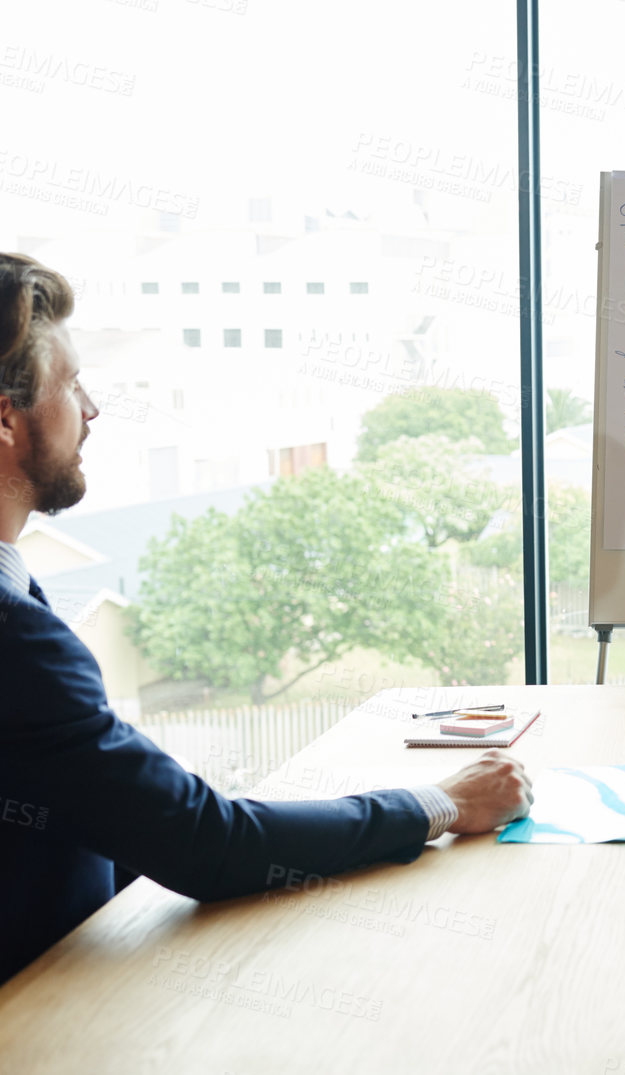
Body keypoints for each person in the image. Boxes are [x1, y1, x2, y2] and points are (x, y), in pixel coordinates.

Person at [0, 253, 534, 984]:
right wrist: (441, 803)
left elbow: (99, 812)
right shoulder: (17, 640)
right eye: (70, 385)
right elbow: (201, 844)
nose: (91, 409)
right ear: (6, 418)